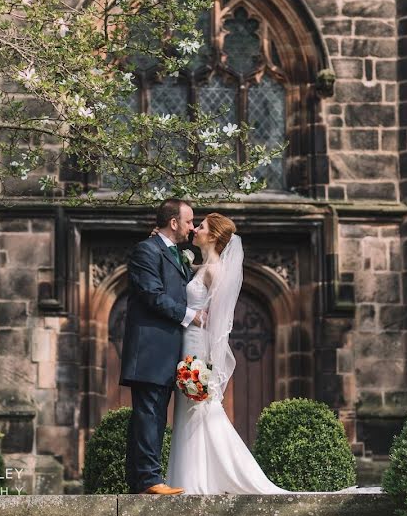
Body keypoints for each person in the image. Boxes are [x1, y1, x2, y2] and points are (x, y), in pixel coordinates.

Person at [163, 212, 296, 494]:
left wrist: (206, 364)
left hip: (197, 347)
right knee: (190, 410)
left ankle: (198, 480)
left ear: (212, 236)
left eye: (200, 226)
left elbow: (219, 322)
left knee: (199, 407)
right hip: (187, 342)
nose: (195, 229)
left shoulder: (214, 271)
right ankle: (190, 478)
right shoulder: (201, 266)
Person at [120, 198, 206, 495]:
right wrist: (190, 315)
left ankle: (139, 480)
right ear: (173, 222)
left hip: (164, 351)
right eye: (189, 221)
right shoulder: (147, 250)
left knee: (152, 413)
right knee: (150, 414)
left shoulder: (174, 254)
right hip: (150, 349)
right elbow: (151, 294)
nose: (192, 227)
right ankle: (149, 480)